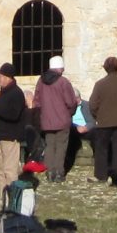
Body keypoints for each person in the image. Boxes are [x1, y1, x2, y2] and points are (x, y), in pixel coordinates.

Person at [29, 54, 82, 182]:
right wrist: (70, 113)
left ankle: (50, 172)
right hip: (62, 120)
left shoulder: (41, 82)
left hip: (46, 120)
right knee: (61, 146)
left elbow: (37, 101)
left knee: (49, 146)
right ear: (60, 68)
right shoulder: (63, 82)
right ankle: (58, 173)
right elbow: (70, 102)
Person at [87, 55, 117, 187]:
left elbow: (92, 105)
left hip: (104, 122)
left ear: (105, 69)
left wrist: (97, 116)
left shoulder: (100, 84)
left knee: (101, 149)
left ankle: (101, 175)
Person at [0, 62, 30, 194]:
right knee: (0, 170)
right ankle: (3, 198)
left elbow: (13, 114)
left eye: (1, 76)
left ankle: (13, 200)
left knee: (10, 171)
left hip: (10, 137)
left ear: (9, 77)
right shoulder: (2, 93)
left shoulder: (16, 93)